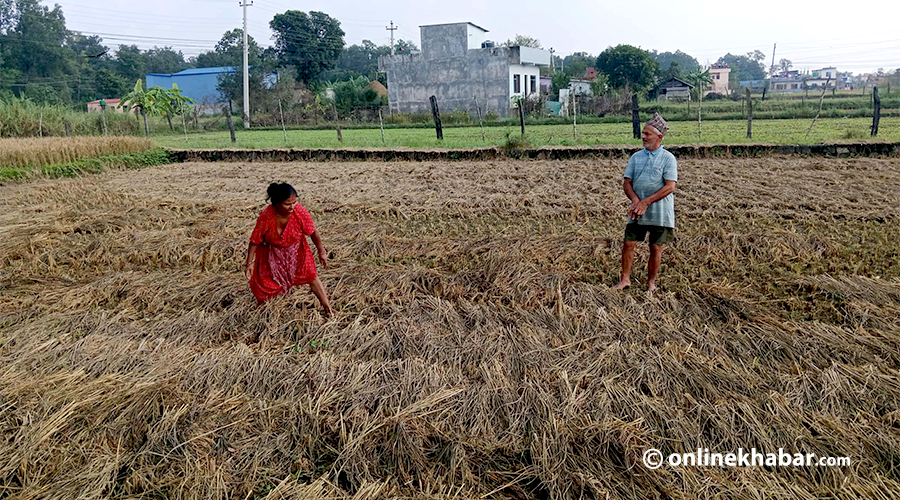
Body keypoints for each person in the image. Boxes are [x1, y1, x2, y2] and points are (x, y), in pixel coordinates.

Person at [245, 183, 334, 315]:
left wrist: (322, 252)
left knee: (311, 275)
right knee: (264, 284)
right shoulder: (266, 216)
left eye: (294, 202)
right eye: (288, 204)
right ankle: (265, 313)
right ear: (277, 204)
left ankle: (328, 308)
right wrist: (249, 263)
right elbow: (254, 241)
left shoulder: (299, 212)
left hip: (297, 251)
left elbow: (313, 233)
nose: (292, 206)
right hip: (271, 254)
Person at [613, 113, 678, 293]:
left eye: (647, 134)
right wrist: (636, 200)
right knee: (628, 242)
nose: (643, 137)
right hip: (637, 209)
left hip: (660, 211)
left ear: (659, 137)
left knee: (655, 247)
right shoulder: (636, 157)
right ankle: (625, 279)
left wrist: (646, 202)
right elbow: (627, 182)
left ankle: (651, 283)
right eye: (643, 133)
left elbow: (670, 187)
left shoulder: (668, 158)